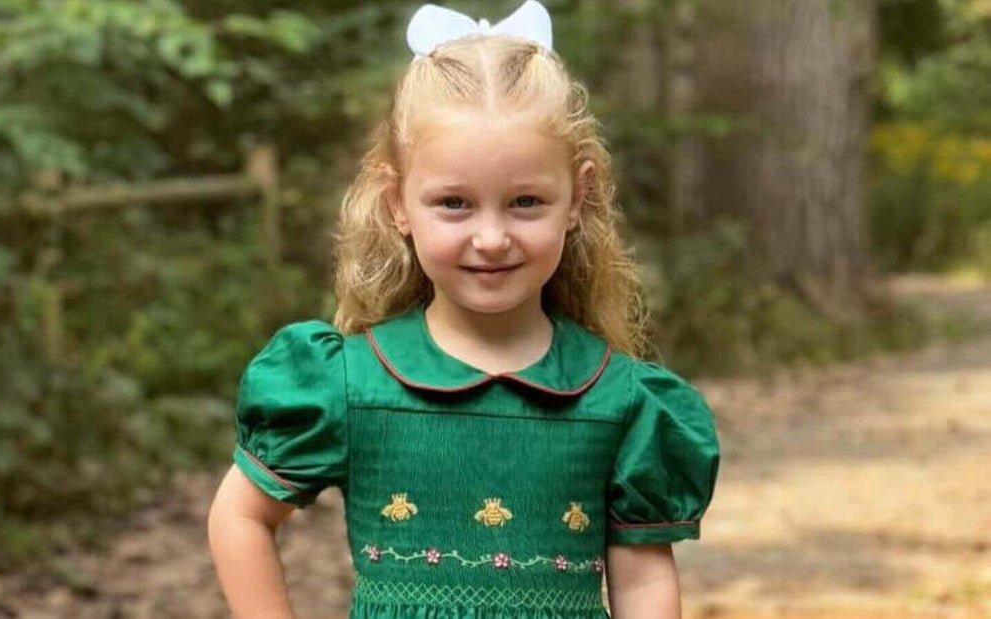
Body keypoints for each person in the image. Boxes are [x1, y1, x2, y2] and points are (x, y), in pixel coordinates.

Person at [207, 1, 720, 617]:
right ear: (398, 202)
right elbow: (239, 515)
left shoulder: (622, 402)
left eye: (526, 201)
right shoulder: (349, 382)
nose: (492, 237)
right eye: (454, 203)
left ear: (578, 197)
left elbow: (641, 584)